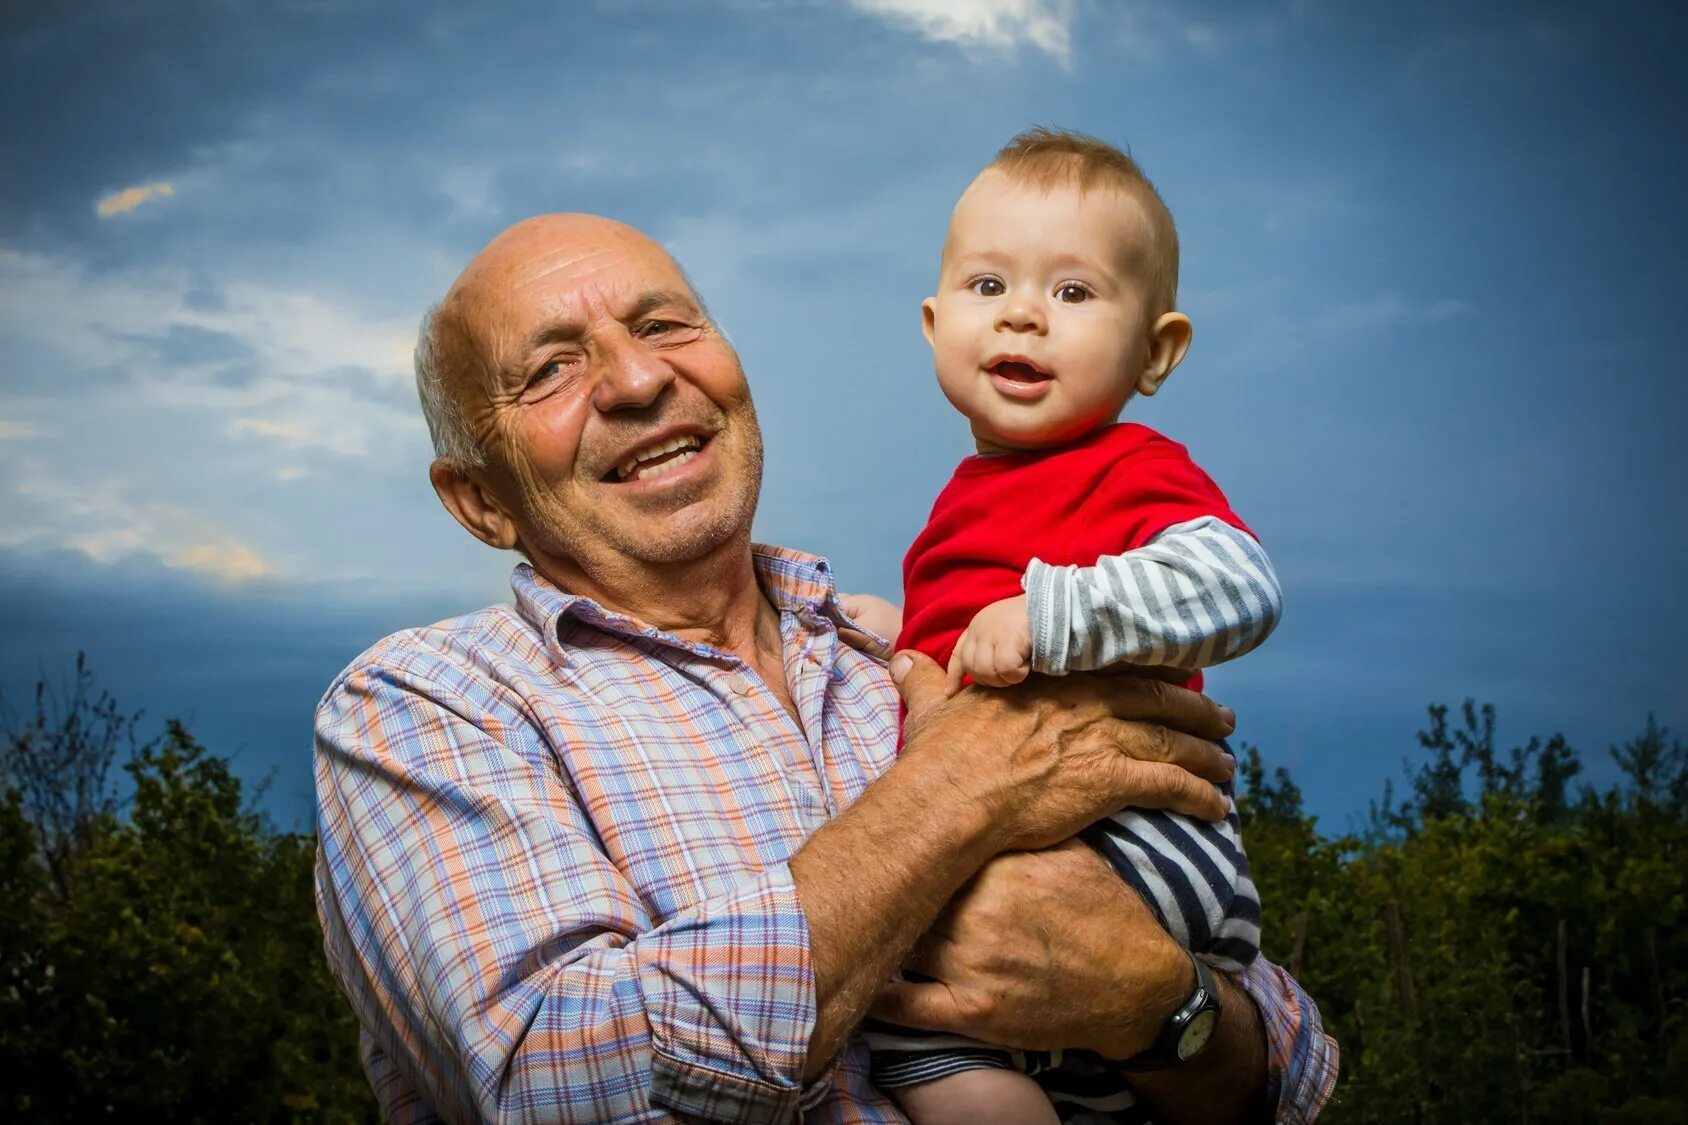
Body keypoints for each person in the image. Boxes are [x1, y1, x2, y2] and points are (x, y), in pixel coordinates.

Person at [312, 211, 1338, 1123]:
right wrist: (958, 790)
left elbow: (1284, 1075)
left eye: (665, 325)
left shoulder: (908, 656)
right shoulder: (423, 706)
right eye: (548, 371)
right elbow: (548, 1079)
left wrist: (1159, 1006)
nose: (636, 380)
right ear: (479, 502)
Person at [857, 129, 1283, 1125]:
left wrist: (1053, 617)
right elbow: (966, 645)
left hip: (1140, 840)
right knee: (968, 1046)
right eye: (986, 285)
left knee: (909, 1013)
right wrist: (897, 638)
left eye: (1073, 293)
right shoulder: (961, 501)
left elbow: (1238, 585)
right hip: (1055, 852)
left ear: (1155, 351)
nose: (1021, 314)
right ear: (932, 324)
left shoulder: (1131, 467)